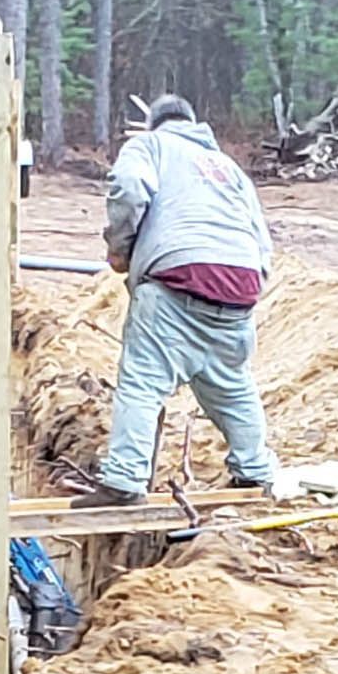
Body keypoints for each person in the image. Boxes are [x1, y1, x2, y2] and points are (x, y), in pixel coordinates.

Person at [72, 94, 277, 508]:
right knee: (232, 385)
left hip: (175, 279)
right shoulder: (229, 168)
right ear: (194, 122)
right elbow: (260, 236)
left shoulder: (150, 145)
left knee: (143, 383)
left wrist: (122, 247)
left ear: (154, 124)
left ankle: (124, 481)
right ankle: (255, 474)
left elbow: (129, 188)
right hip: (240, 284)